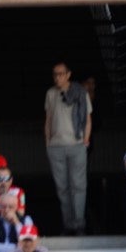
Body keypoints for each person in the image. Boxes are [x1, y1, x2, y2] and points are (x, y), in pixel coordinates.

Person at [45, 62, 91, 234]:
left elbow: (87, 118)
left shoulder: (80, 92)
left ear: (68, 74)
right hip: (56, 146)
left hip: (76, 144)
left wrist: (85, 139)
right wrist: (48, 143)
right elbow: (48, 119)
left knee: (78, 186)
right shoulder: (50, 93)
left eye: (61, 74)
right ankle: (68, 224)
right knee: (62, 188)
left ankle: (79, 224)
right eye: (55, 74)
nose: (58, 77)